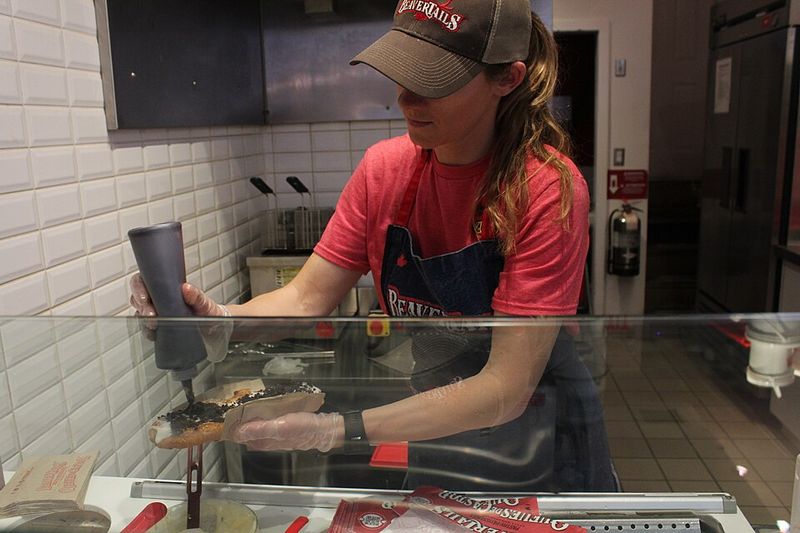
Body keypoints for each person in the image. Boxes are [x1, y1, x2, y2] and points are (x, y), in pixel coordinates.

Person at [131, 0, 616, 492]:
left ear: (507, 79)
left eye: (434, 80)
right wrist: (219, 322)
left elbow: (506, 389)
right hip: (437, 421)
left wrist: (334, 430)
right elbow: (305, 298)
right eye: (402, 74)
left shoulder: (546, 188)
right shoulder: (384, 169)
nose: (407, 99)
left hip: (538, 437)